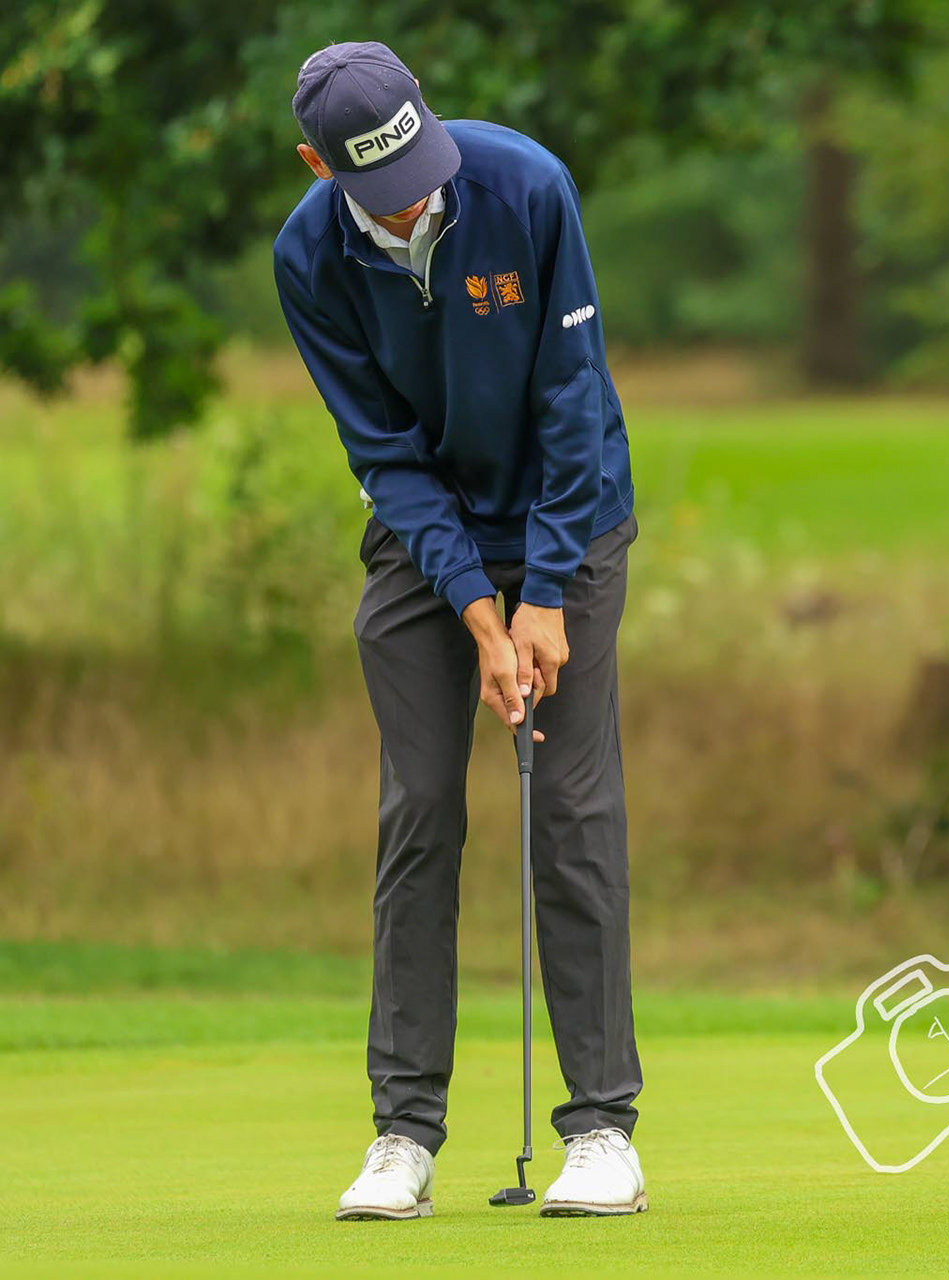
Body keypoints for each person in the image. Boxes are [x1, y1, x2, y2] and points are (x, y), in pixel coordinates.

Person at [272, 41, 645, 1220]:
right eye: (384, 189)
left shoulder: (526, 184)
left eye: (422, 170)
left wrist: (538, 596)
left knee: (569, 804)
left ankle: (600, 1131)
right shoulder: (307, 257)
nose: (419, 201)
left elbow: (572, 403)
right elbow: (385, 454)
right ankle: (403, 1132)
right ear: (318, 166)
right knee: (421, 809)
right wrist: (474, 608)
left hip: (566, 522)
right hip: (423, 539)